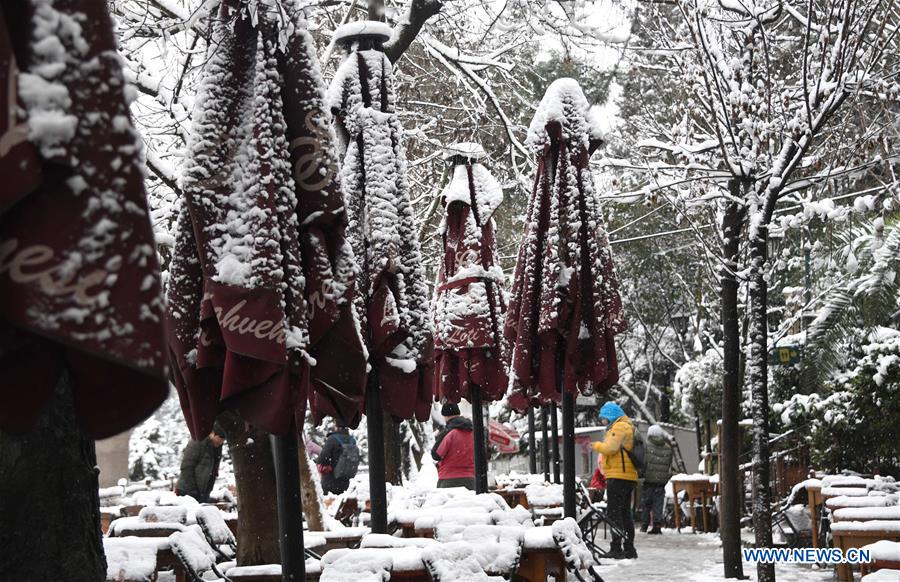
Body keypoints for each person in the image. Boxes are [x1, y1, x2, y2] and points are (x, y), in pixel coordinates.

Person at [592, 402, 638, 559]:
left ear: (611, 415)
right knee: (625, 512)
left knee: (615, 513)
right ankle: (629, 548)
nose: (603, 422)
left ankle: (617, 548)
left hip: (619, 477)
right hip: (626, 476)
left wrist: (597, 445)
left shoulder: (619, 427)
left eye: (604, 418)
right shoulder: (626, 425)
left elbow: (611, 448)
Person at [176, 422, 226, 503]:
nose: (221, 442)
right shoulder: (197, 441)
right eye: (220, 438)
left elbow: (213, 471)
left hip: (203, 492)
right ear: (212, 433)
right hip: (187, 491)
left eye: (223, 440)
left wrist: (207, 491)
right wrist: (193, 490)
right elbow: (186, 467)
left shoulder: (217, 447)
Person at [430, 402, 475, 489]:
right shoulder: (473, 432)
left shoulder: (449, 432)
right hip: (470, 481)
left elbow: (436, 455)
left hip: (448, 480)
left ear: (445, 416)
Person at [641, 424, 674, 534]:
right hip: (661, 482)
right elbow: (668, 465)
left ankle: (644, 525)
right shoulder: (668, 448)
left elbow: (643, 462)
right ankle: (657, 525)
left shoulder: (646, 446)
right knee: (658, 504)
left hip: (648, 480)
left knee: (646, 504)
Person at [316, 423, 359, 495]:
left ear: (337, 426)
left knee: (330, 504)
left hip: (330, 480)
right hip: (345, 481)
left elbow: (322, 459)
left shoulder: (332, 439)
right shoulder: (352, 440)